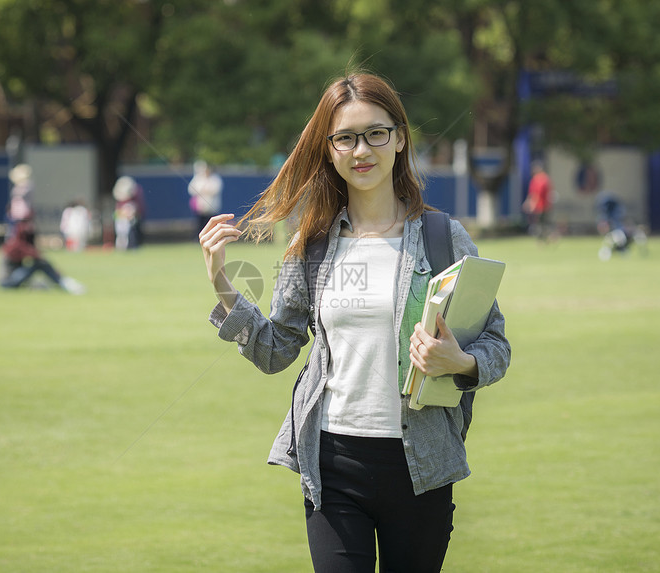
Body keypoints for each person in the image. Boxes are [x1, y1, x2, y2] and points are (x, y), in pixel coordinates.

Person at [198, 73, 511, 572]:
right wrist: (222, 284)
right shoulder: (312, 245)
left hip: (421, 465)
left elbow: (496, 344)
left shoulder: (442, 238)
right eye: (345, 137)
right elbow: (277, 348)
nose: (361, 150)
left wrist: (462, 362)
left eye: (375, 133)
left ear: (399, 138)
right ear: (329, 150)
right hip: (333, 463)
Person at [0, 219, 86, 294]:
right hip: (7, 282)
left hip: (12, 278)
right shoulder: (17, 245)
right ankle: (63, 282)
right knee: (39, 264)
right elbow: (37, 255)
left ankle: (62, 281)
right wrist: (55, 271)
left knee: (39, 263)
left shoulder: (15, 243)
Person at [188, 160, 223, 236]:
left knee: (211, 224)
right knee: (200, 224)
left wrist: (206, 190)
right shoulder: (198, 178)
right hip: (200, 207)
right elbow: (191, 190)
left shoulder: (215, 178)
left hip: (211, 206)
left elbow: (215, 189)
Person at [522, 160, 555, 241]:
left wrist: (531, 204)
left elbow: (535, 194)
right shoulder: (546, 178)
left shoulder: (538, 180)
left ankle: (547, 237)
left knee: (539, 223)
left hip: (539, 205)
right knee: (544, 222)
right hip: (545, 205)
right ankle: (548, 237)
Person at [112, 176, 145, 250]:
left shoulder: (132, 203)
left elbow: (135, 211)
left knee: (130, 234)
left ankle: (131, 246)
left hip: (128, 222)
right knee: (121, 236)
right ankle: (121, 247)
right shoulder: (120, 204)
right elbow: (115, 215)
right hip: (121, 223)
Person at [6, 164, 34, 239]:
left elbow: (23, 195)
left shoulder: (27, 184)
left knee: (22, 227)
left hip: (23, 210)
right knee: (14, 228)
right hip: (16, 210)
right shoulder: (18, 185)